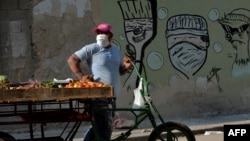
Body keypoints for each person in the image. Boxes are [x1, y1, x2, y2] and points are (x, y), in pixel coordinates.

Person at [67, 23, 131, 140]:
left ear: (110, 35)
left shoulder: (116, 50)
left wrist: (126, 66)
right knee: (104, 131)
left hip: (112, 97)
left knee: (99, 128)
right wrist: (81, 76)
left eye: (104, 33)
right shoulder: (92, 48)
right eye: (99, 33)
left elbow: (120, 71)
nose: (101, 35)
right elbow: (72, 59)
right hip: (99, 97)